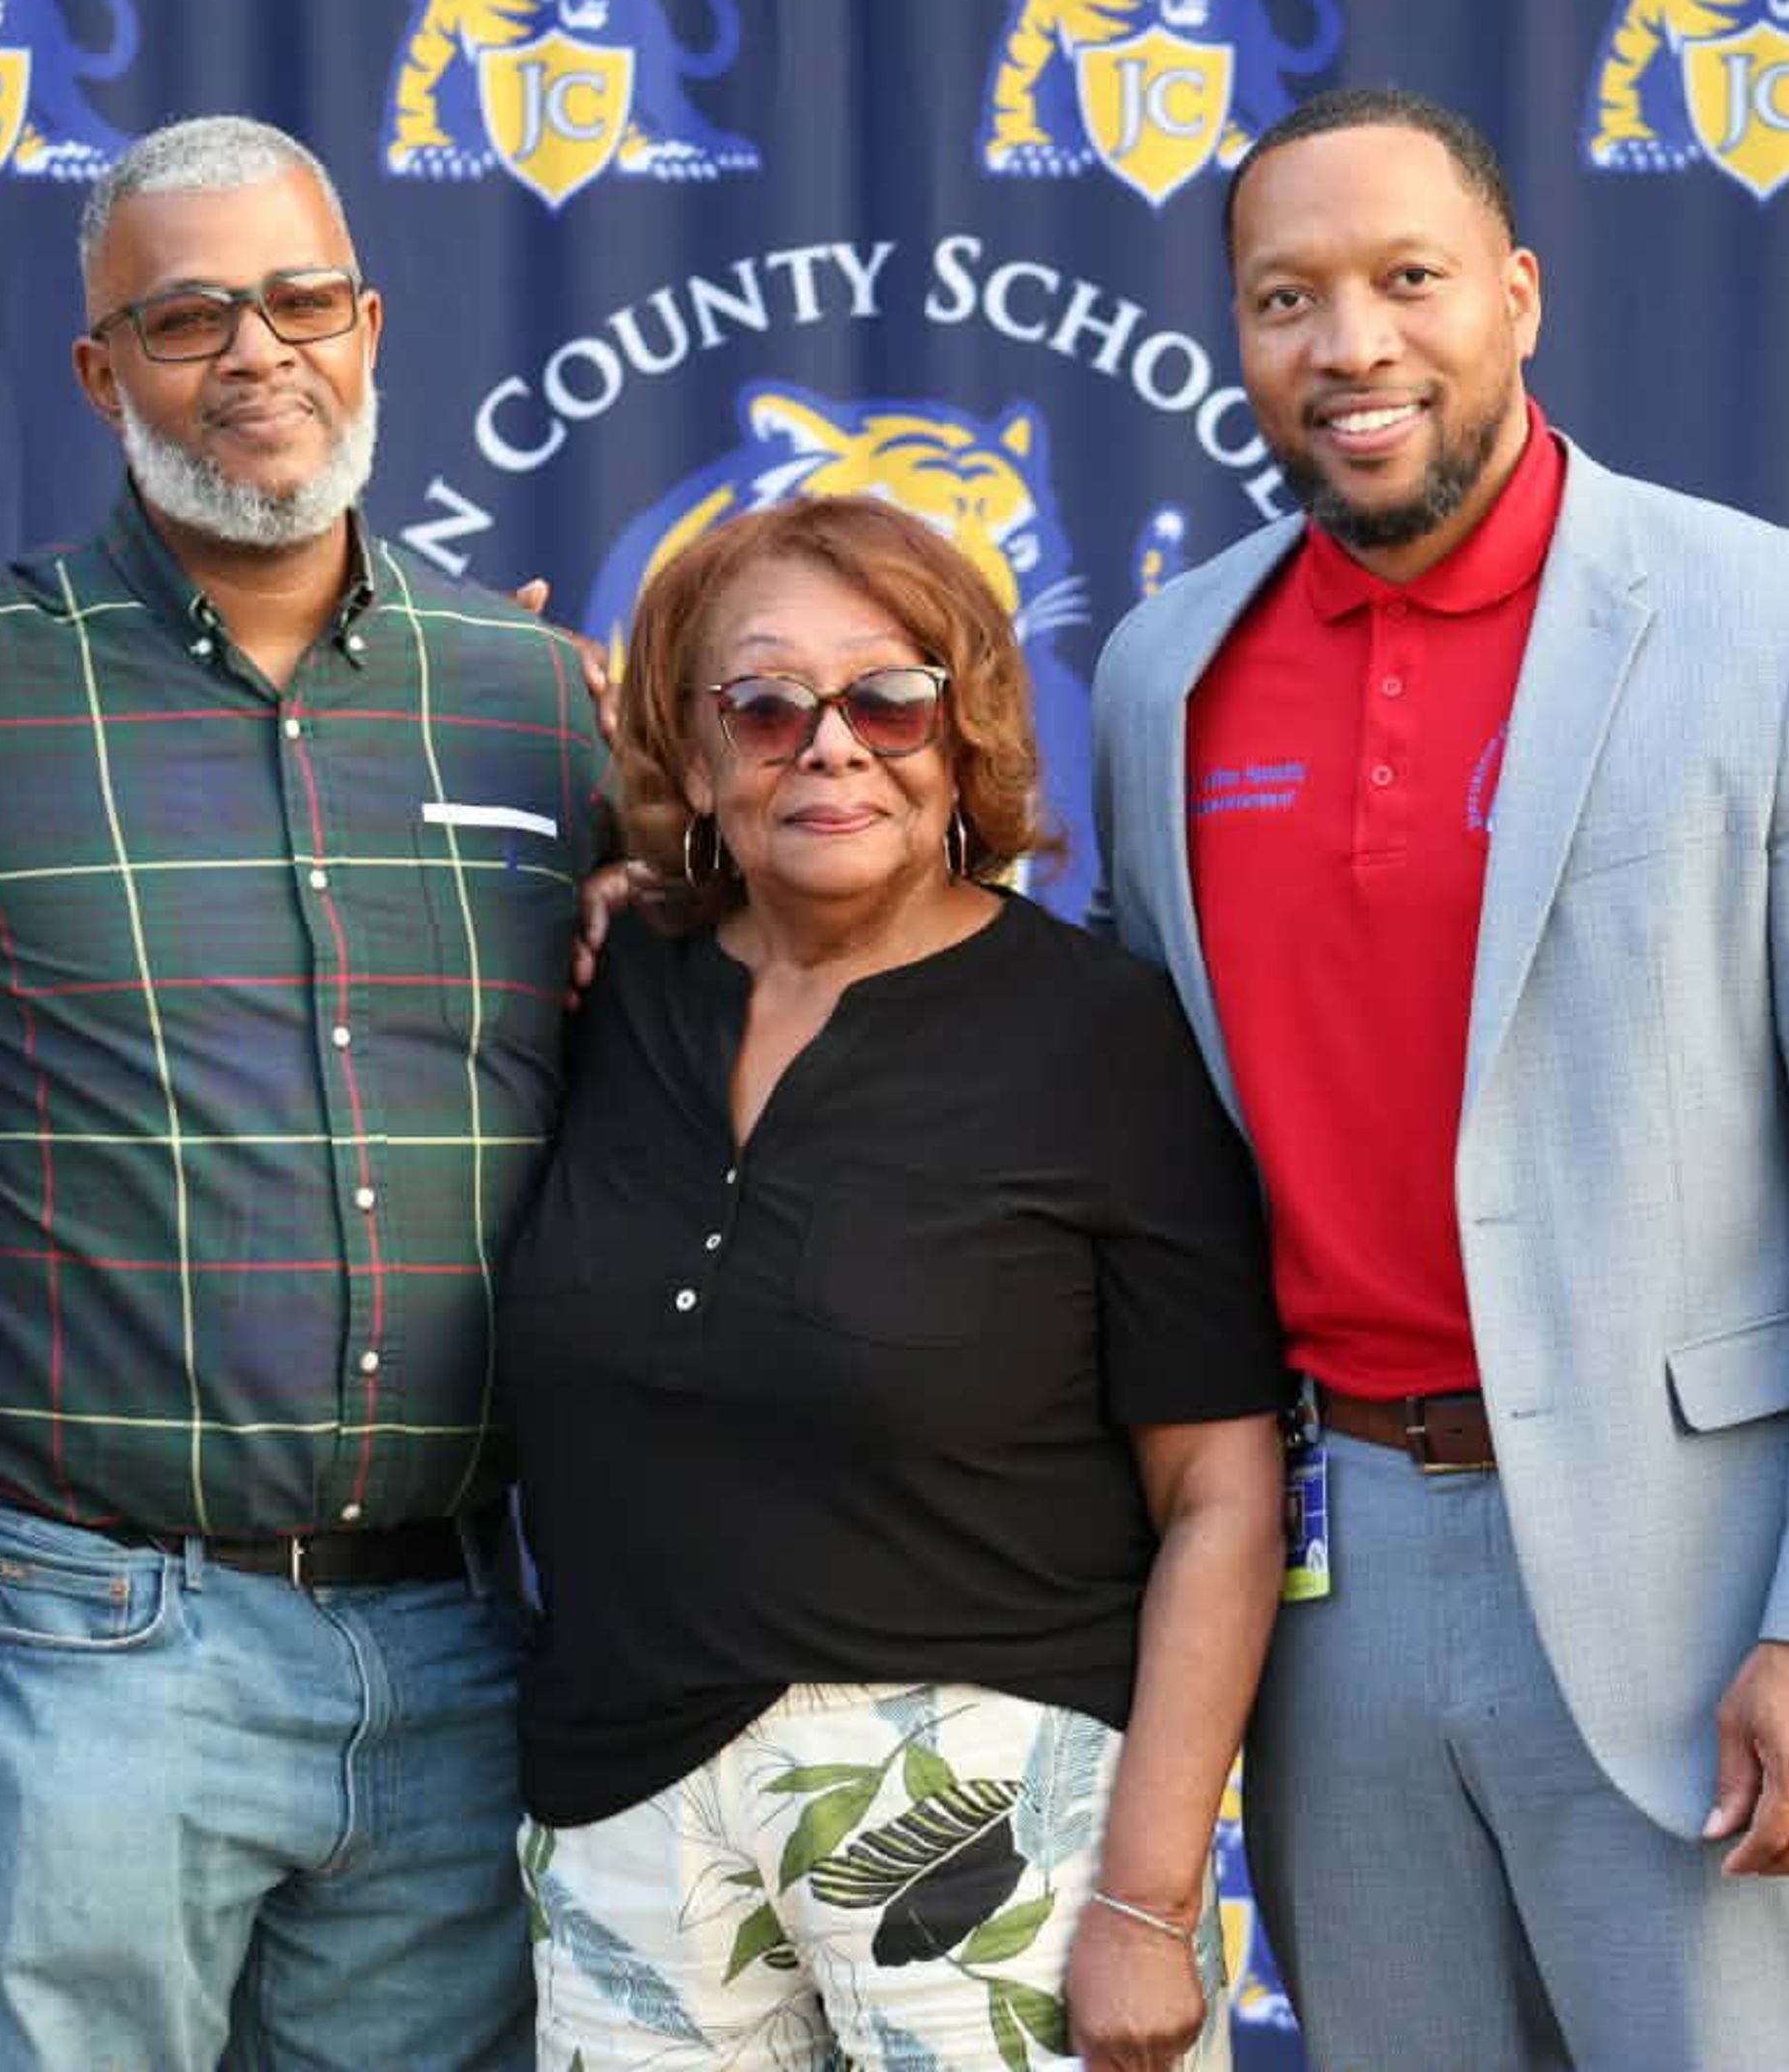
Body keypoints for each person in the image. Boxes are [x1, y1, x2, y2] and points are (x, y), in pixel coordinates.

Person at [1085, 83, 1789, 2071]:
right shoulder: (1168, 667)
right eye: (1285, 296)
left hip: (1697, 1584)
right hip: (1331, 1585)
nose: (1350, 343)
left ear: (1516, 295)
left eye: (1407, 278)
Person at [0, 113, 605, 2072]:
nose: (258, 354)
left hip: (458, 1627)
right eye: (188, 314)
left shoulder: (538, 696)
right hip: (94, 1611)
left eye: (300, 300)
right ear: (102, 372)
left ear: (372, 323)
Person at [512, 495, 1287, 2072]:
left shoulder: (1099, 1035)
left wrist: (1147, 1897)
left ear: (965, 729)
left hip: (996, 1822)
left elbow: (1221, 1492)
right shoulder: (610, 987)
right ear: (693, 743)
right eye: (766, 704)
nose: (832, 745)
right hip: (623, 1814)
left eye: (887, 696)